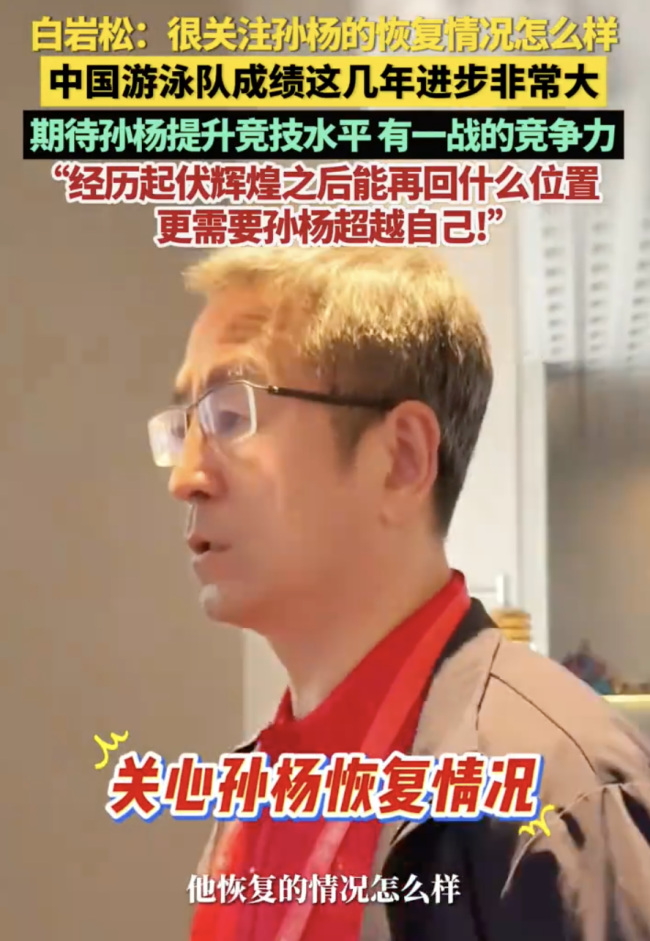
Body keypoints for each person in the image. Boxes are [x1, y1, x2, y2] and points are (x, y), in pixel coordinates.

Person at [148, 246, 650, 941]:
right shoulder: (257, 785)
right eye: (186, 426)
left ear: (402, 457)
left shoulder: (561, 795)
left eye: (231, 414)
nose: (186, 477)